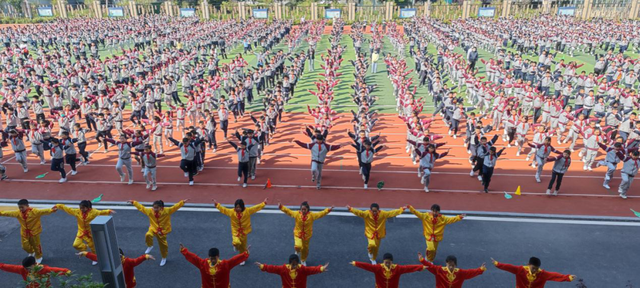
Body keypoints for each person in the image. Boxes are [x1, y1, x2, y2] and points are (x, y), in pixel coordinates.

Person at [128, 199, 187, 267]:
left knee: (163, 246)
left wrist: (182, 202)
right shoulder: (150, 211)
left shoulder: (167, 211)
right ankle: (150, 245)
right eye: (154, 207)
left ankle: (164, 258)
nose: (155, 209)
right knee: (148, 235)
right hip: (153, 228)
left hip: (163, 231)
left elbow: (175, 207)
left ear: (161, 208)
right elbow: (141, 208)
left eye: (157, 208)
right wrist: (134, 202)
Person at [56, 200, 115, 265]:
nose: (81, 209)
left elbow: (100, 212)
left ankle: (95, 258)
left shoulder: (93, 212)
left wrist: (108, 211)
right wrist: (59, 206)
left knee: (93, 247)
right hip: (81, 232)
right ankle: (85, 247)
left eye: (83, 208)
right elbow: (68, 209)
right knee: (76, 245)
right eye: (80, 207)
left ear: (88, 207)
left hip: (90, 233)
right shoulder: (77, 212)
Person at [0, 199, 57, 264]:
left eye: (22, 207)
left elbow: (43, 211)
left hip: (34, 232)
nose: (21, 209)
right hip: (24, 233)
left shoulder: (34, 211)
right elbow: (8, 213)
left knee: (36, 245)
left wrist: (51, 210)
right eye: (19, 207)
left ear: (27, 206)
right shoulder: (18, 213)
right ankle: (32, 252)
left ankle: (39, 256)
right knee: (25, 246)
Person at [214, 198, 267, 265]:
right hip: (235, 231)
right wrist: (217, 205)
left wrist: (263, 203)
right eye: (236, 207)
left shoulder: (247, 211)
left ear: (242, 207)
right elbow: (224, 210)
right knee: (236, 242)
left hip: (244, 232)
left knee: (243, 247)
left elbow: (255, 208)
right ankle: (236, 246)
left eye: (239, 207)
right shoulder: (232, 212)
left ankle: (242, 258)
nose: (238, 209)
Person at [180, 243, 249, 288]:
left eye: (214, 258)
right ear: (209, 257)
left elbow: (235, 260)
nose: (213, 260)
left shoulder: (225, 265)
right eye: (211, 258)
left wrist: (245, 254)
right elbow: (194, 258)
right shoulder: (203, 264)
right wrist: (184, 250)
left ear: (218, 256)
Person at [76, 249, 155, 288]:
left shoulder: (128, 261)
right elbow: (96, 258)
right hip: (116, 283)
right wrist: (84, 253)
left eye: (119, 256)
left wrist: (146, 256)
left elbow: (136, 260)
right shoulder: (110, 261)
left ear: (121, 256)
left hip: (129, 284)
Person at [351, 253, 426, 288]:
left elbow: (408, 268)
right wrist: (356, 263)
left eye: (388, 262)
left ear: (392, 262)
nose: (387, 263)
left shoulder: (397, 268)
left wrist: (421, 267)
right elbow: (367, 266)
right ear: (383, 261)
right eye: (385, 262)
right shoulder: (378, 268)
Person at [492, 257, 576, 287]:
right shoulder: (520, 270)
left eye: (536, 268)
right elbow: (509, 267)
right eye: (533, 268)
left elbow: (555, 276)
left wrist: (567, 277)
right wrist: (498, 264)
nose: (535, 270)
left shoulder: (542, 274)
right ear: (528, 265)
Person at [257, 254, 328, 288]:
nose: (294, 266)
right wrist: (263, 266)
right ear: (289, 263)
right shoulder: (283, 269)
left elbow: (312, 269)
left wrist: (321, 268)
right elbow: (273, 268)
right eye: (293, 264)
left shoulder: (302, 269)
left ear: (298, 263)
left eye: (296, 264)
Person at [418, 253, 486, 288]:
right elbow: (430, 266)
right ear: (446, 263)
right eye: (449, 265)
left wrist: (480, 269)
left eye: (452, 266)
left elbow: (471, 272)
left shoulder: (460, 272)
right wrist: (422, 260)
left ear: (456, 265)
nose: (450, 267)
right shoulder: (439, 270)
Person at [0, 256, 70, 287]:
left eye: (28, 268)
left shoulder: (43, 269)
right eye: (26, 268)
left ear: (34, 264)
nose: (27, 270)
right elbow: (9, 267)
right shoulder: (22, 269)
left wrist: (66, 271)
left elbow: (55, 270)